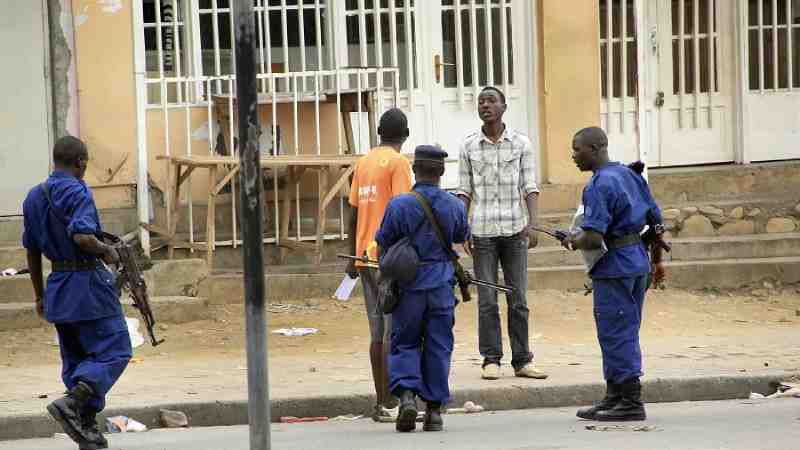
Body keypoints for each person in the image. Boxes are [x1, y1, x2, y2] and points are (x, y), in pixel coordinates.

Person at [22, 136, 132, 450]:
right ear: (81, 162)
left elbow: (30, 249)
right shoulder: (78, 189)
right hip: (87, 286)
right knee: (115, 350)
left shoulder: (33, 196)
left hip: (57, 287)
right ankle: (72, 405)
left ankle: (86, 428)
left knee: (77, 361)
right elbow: (84, 237)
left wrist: (39, 295)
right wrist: (108, 251)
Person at [561, 127, 664, 421]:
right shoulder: (631, 175)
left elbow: (593, 238)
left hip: (614, 267)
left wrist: (572, 239)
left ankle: (631, 401)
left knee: (617, 334)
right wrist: (656, 263)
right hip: (637, 263)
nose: (573, 156)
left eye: (577, 149)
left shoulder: (598, 185)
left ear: (595, 148)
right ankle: (614, 396)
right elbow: (656, 221)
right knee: (622, 331)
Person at [375, 145, 470, 433]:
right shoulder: (455, 205)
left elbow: (383, 245)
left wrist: (388, 273)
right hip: (441, 287)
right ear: (441, 172)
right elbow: (460, 237)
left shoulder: (399, 205)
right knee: (439, 346)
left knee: (405, 342)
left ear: (415, 170)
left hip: (409, 287)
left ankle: (406, 399)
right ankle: (434, 412)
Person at [455, 86, 547, 380]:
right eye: (481, 101)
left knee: (518, 298)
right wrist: (461, 227)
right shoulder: (469, 146)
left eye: (491, 100)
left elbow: (530, 186)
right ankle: (490, 359)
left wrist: (532, 223)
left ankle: (522, 360)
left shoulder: (521, 143)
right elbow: (464, 190)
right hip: (481, 233)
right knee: (487, 300)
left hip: (515, 232)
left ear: (504, 107)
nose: (485, 105)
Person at [346, 108, 414, 421]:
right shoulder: (399, 163)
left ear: (378, 133)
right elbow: (402, 211)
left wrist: (352, 253)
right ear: (406, 135)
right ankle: (390, 402)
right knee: (391, 332)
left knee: (376, 333)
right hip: (387, 258)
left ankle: (380, 402)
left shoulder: (363, 162)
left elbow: (353, 212)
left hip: (362, 257)